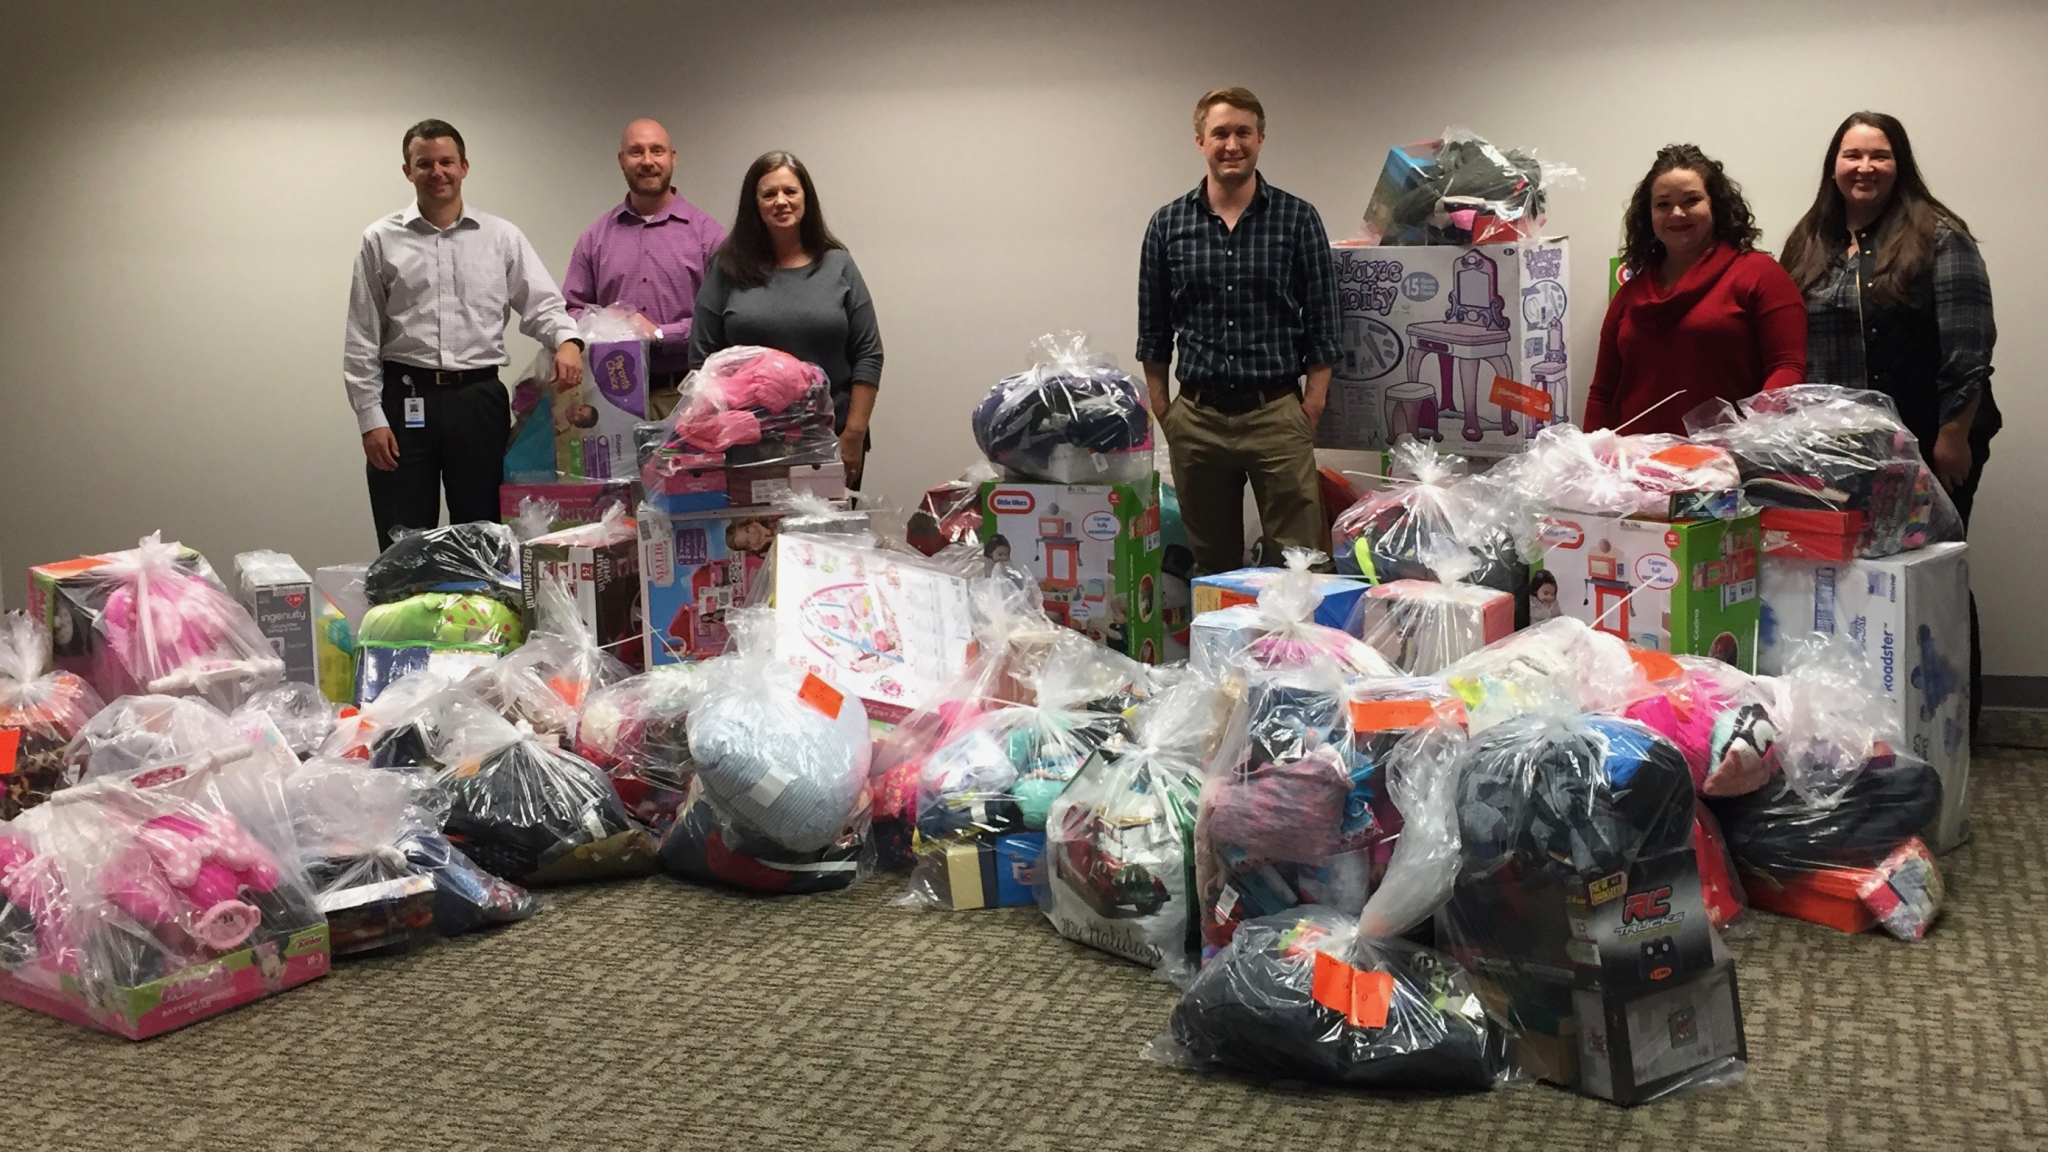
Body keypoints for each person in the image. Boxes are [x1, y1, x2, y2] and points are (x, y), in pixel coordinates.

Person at [1781, 111, 1998, 727]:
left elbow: (1969, 341)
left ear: (1899, 164)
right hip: (1845, 449)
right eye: (1852, 155)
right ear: (1834, 165)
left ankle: (1949, 724)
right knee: (1855, 576)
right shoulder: (1809, 240)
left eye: (1879, 155)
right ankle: (1870, 717)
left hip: (1932, 442)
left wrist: (1953, 433)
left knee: (1930, 572)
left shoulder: (1939, 234)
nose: (1865, 167)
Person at [344, 119, 583, 550]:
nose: (437, 172)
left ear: (464, 167)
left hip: (478, 403)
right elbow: (361, 337)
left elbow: (543, 305)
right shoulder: (379, 239)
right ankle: (405, 614)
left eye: (447, 162)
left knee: (483, 537)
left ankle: (479, 618)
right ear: (407, 171)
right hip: (403, 401)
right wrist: (369, 419)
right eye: (424, 164)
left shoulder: (501, 237)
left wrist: (567, 340)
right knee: (404, 540)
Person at [1139, 86, 1338, 577]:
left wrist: (1311, 405)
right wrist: (1165, 411)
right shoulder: (1167, 225)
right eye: (1220, 133)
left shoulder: (1297, 219)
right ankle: (1219, 655)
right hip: (1198, 421)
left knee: (1301, 563)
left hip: (1275, 413)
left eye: (1243, 132)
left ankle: (1300, 654)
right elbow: (1153, 326)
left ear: (1261, 139)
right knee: (1211, 567)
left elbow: (1324, 321)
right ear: (1200, 141)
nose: (1232, 144)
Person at [1582, 144, 1806, 436]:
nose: (1677, 213)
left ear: (1715, 205)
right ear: (1648, 215)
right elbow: (1602, 393)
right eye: (1662, 204)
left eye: (1691, 200)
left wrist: (1751, 439)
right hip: (1634, 468)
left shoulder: (1760, 275)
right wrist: (1589, 459)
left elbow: (1787, 367)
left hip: (1726, 467)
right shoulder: (1631, 293)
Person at [690, 152, 882, 488]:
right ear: (755, 204)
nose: (781, 201)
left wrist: (854, 434)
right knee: (754, 540)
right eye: (768, 194)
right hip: (748, 447)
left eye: (790, 192)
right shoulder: (727, 269)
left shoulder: (839, 265)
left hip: (831, 442)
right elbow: (702, 360)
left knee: (826, 540)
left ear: (806, 198)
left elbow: (869, 354)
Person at [563, 119, 727, 420]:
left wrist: (661, 334)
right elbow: (570, 309)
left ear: (673, 157)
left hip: (688, 396)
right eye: (636, 152)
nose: (648, 161)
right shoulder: (594, 238)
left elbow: (725, 320)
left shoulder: (709, 237)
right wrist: (601, 324)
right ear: (621, 160)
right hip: (610, 399)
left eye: (657, 151)